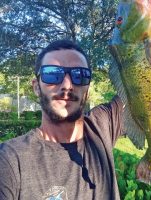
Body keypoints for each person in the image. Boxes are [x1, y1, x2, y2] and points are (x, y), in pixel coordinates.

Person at [0, 39, 124, 200]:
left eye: (79, 75)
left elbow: (146, 78)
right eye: (52, 74)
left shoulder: (102, 125)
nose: (67, 84)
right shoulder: (10, 159)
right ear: (36, 86)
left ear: (87, 89)